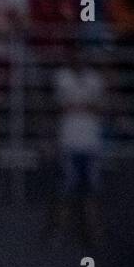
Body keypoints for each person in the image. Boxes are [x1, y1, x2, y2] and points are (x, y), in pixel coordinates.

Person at [46, 44, 107, 247]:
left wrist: (78, 105)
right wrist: (85, 105)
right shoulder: (61, 77)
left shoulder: (94, 79)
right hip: (69, 143)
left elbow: (100, 106)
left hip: (90, 145)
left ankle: (95, 234)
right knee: (65, 192)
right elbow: (61, 107)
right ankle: (57, 232)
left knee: (92, 193)